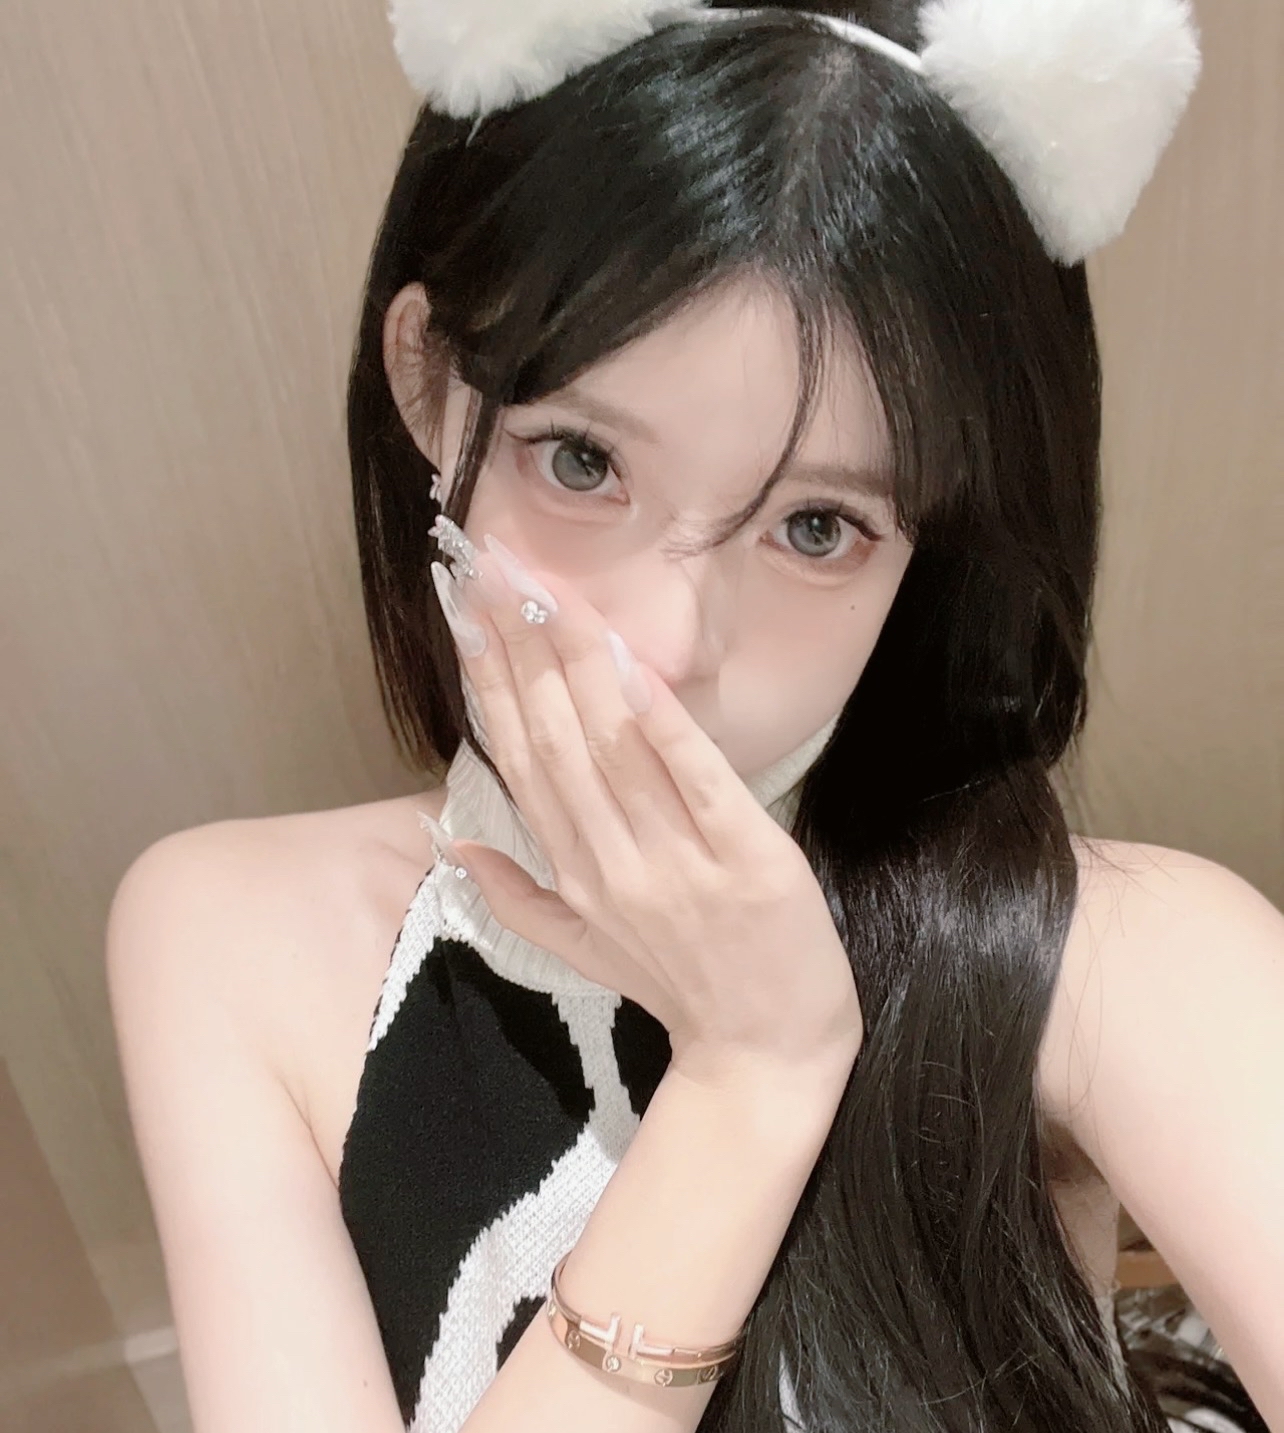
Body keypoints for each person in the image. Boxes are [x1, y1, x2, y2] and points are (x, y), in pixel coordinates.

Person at [105, 2, 1284, 1431]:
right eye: (580, 458)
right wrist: (750, 1080)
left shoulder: (1112, 956)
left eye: (817, 527)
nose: (660, 648)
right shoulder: (231, 936)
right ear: (428, 382)